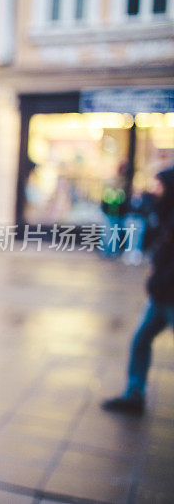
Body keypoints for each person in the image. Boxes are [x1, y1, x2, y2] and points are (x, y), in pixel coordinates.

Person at [102, 167, 174, 415]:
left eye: (161, 186)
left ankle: (134, 393)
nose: (156, 191)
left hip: (168, 295)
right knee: (141, 339)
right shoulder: (165, 211)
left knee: (142, 339)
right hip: (160, 295)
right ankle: (134, 393)